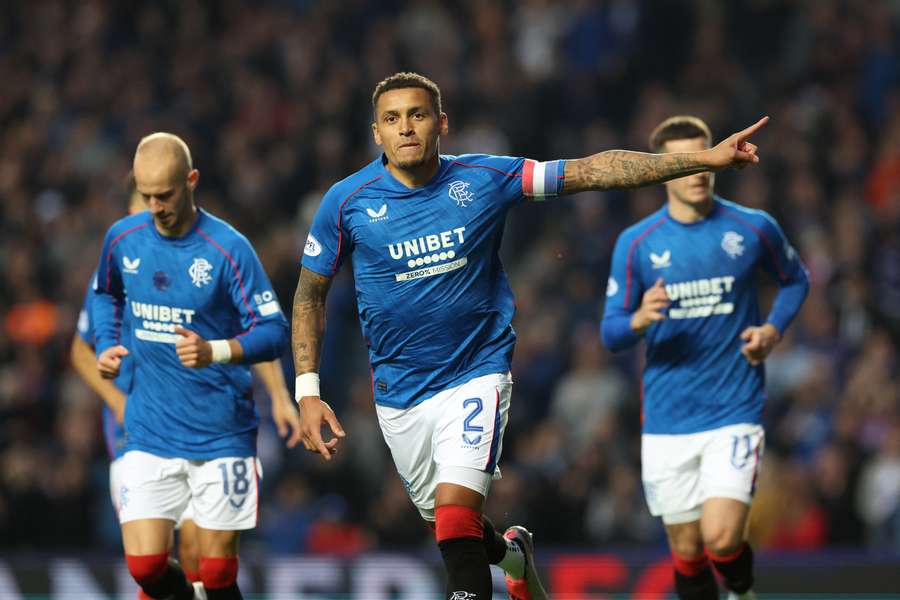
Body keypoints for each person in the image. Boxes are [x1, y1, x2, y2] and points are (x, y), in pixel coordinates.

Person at [291, 72, 769, 600]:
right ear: (376, 133)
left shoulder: (484, 179)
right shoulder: (346, 202)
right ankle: (514, 556)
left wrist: (702, 160)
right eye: (391, 118)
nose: (405, 128)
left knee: (454, 523)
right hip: (399, 396)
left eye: (418, 115)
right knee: (457, 533)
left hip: (476, 375)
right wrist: (307, 391)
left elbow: (592, 170)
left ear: (442, 123)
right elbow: (310, 294)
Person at [601, 116, 810, 600]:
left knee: (720, 538)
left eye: (705, 156)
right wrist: (639, 320)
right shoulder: (637, 243)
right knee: (688, 550)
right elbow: (611, 332)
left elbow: (797, 279)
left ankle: (742, 592)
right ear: (662, 170)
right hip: (667, 418)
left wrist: (773, 330)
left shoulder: (753, 227)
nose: (698, 170)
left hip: (733, 409)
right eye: (685, 161)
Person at [92, 133, 290, 600]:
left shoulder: (228, 249)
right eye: (146, 195)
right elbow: (105, 293)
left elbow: (274, 331)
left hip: (220, 434)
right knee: (145, 567)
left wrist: (216, 350)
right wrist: (105, 343)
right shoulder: (122, 238)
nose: (155, 205)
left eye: (165, 194)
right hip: (149, 431)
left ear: (192, 181)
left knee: (217, 574)